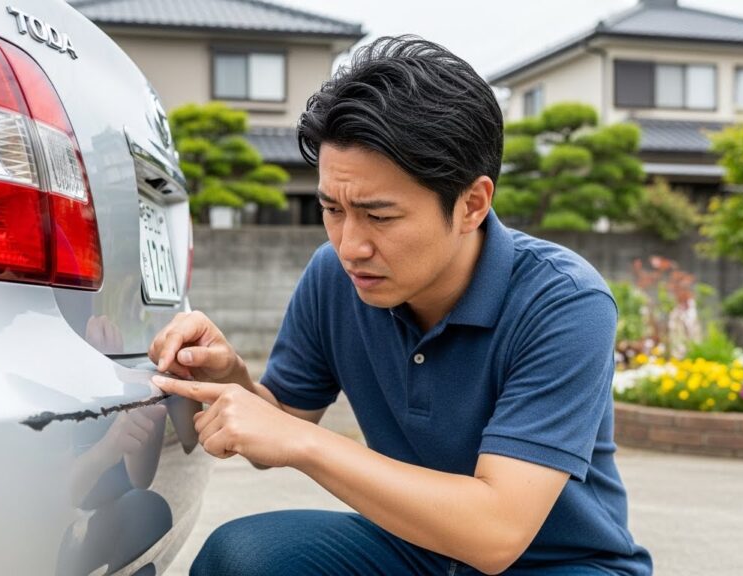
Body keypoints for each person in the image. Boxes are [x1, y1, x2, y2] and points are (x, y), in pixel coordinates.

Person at [149, 36, 652, 576]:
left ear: (471, 204)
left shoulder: (563, 302)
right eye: (331, 208)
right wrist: (234, 382)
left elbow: (497, 532)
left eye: (379, 216)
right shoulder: (334, 277)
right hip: (416, 549)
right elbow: (282, 425)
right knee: (242, 558)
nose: (350, 246)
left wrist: (304, 442)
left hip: (559, 564)